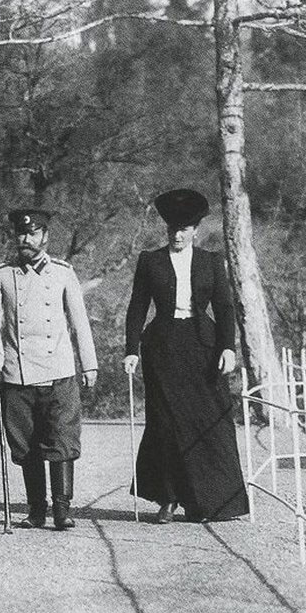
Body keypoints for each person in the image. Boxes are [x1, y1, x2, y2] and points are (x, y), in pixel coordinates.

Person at [123, 188, 249, 524]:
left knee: (211, 421)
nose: (177, 235)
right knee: (166, 424)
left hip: (202, 347)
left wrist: (227, 347)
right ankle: (168, 498)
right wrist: (131, 349)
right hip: (162, 347)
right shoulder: (151, 261)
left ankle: (211, 501)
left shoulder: (211, 261)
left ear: (195, 231)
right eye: (172, 230)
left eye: (183, 229)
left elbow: (224, 307)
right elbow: (137, 307)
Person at [0, 208, 98, 530]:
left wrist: (89, 364)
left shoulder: (62, 272)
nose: (26, 239)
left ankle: (62, 511)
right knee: (25, 444)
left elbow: (79, 321)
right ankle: (36, 511)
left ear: (45, 236)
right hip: (16, 372)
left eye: (33, 234)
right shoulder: (1, 275)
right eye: (21, 234)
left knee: (61, 440)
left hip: (58, 370)